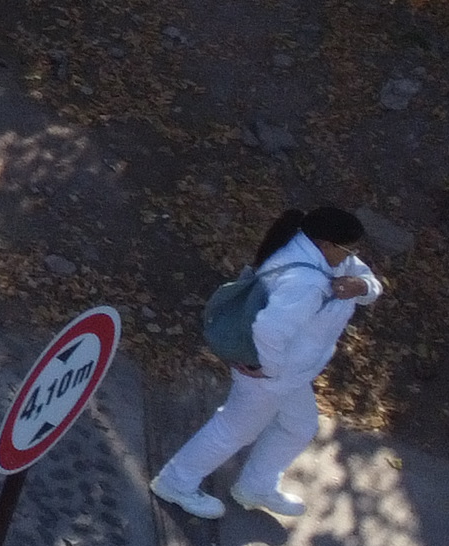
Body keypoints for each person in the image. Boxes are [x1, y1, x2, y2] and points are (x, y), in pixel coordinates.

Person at [154, 204, 383, 520]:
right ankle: (175, 483)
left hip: (291, 373)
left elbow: (368, 279)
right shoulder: (306, 281)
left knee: (299, 426)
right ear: (326, 244)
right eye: (347, 249)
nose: (351, 257)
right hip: (271, 373)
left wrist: (362, 286)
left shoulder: (321, 252)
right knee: (234, 429)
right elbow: (269, 329)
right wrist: (270, 370)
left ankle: (255, 487)